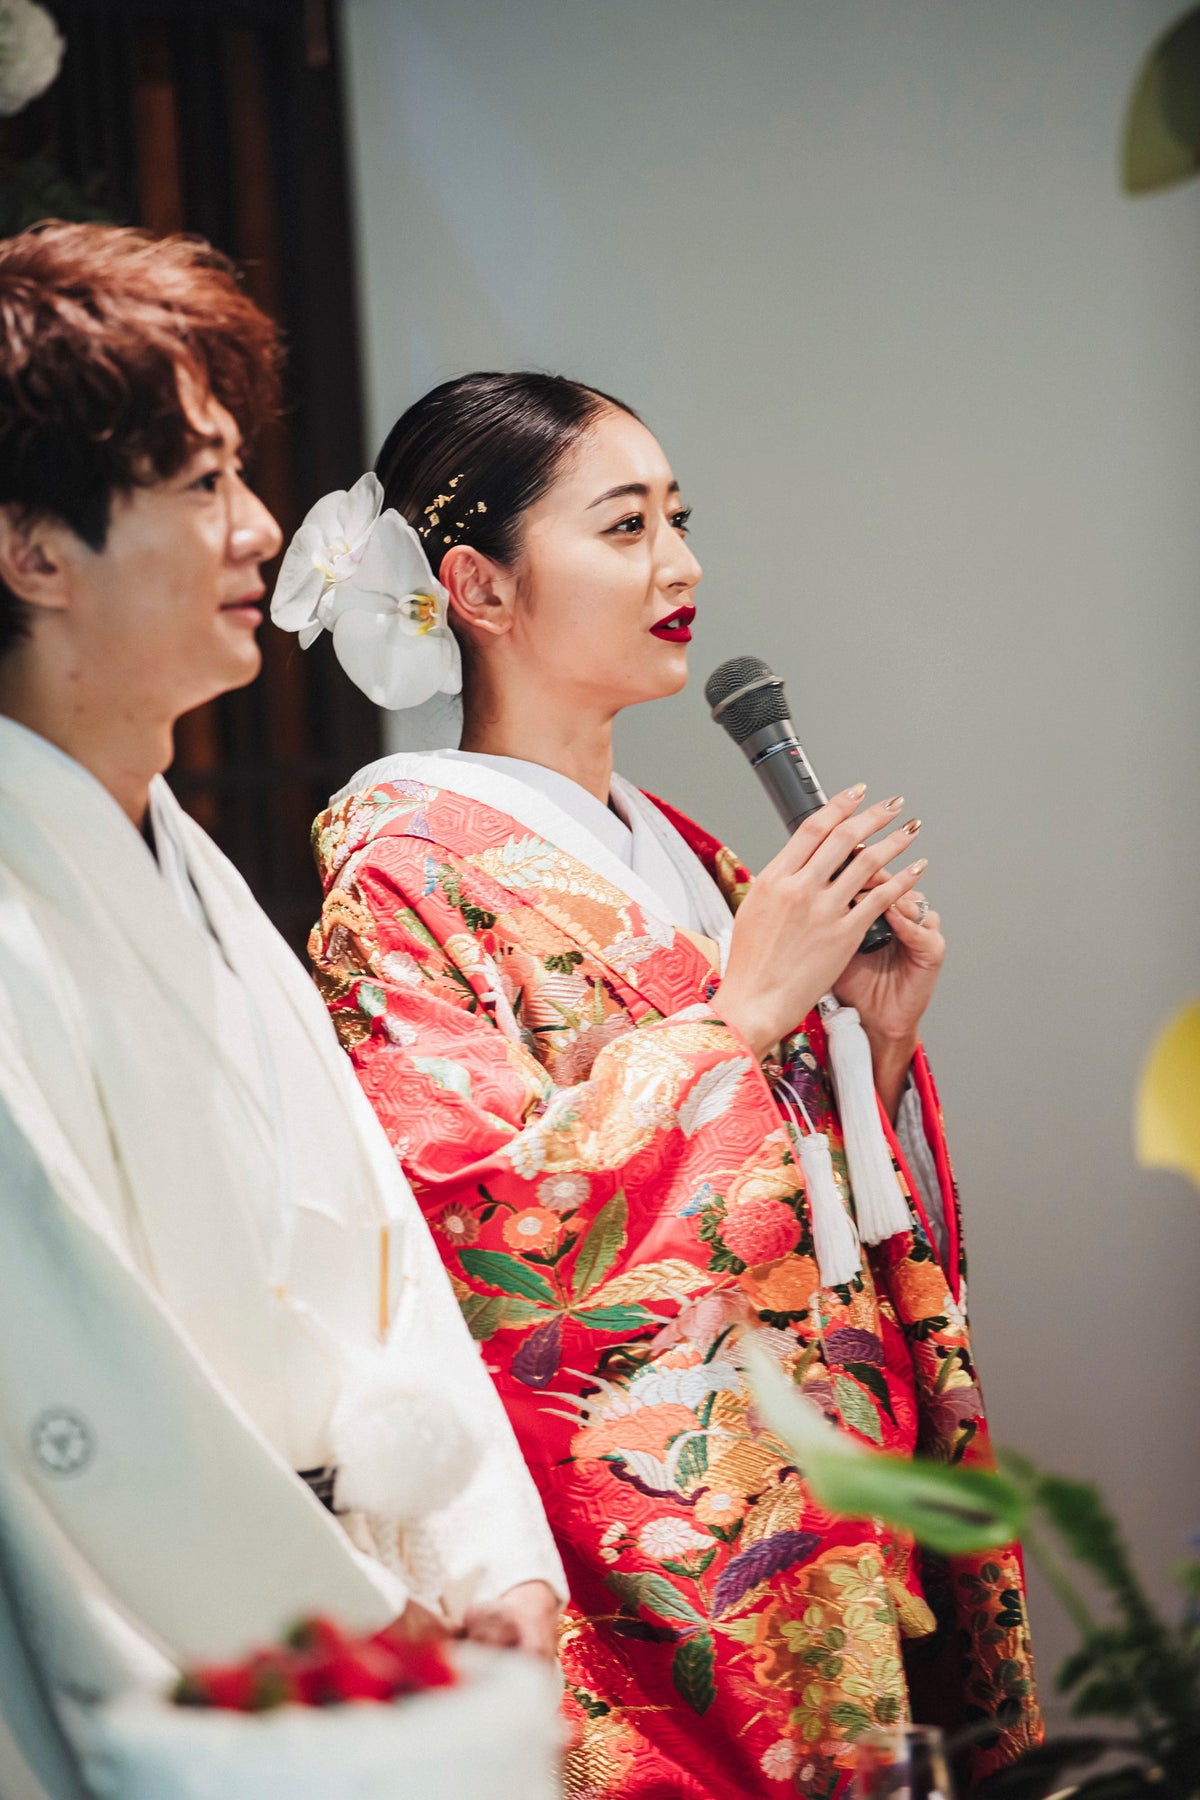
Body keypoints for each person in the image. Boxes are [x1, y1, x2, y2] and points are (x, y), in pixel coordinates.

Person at [275, 372, 1042, 1799]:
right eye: (624, 526)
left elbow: (799, 1179)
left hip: (824, 1479)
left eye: (678, 520)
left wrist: (863, 1048)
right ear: (477, 587)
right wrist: (739, 1015)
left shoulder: (685, 850)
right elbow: (472, 1216)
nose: (680, 565)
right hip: (657, 1539)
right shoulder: (400, 865)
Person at [0, 232, 565, 1771]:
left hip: (378, 1609)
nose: (261, 530)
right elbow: (77, 1387)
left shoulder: (197, 871)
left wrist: (488, 1553)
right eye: (200, 485)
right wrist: (376, 1645)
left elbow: (388, 1257)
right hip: (181, 1667)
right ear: (33, 551)